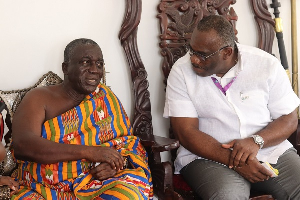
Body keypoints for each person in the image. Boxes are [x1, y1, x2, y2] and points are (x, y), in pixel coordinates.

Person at [163, 15, 300, 199]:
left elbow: (289, 118)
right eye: (191, 50)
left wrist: (256, 141)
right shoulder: (181, 71)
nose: (194, 59)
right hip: (207, 157)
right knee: (228, 195)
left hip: (268, 150)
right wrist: (236, 160)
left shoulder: (266, 64)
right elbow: (186, 132)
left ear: (227, 52)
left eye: (202, 55)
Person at [11, 38, 153, 199]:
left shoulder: (105, 98)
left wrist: (115, 165)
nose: (95, 70)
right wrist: (89, 152)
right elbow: (23, 145)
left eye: (99, 64)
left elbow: (127, 144)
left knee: (129, 194)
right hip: (42, 187)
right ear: (65, 68)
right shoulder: (39, 98)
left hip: (95, 182)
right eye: (86, 62)